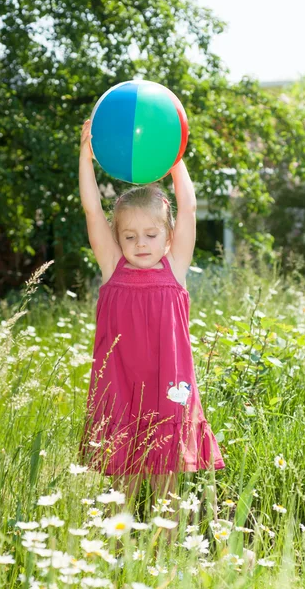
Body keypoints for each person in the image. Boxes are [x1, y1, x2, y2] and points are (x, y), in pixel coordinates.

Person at [78, 118, 225, 513]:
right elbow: (92, 211)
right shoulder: (113, 267)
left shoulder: (174, 267)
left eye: (150, 235)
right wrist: (85, 157)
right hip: (123, 385)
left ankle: (167, 552)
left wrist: (174, 154)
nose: (140, 244)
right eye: (129, 236)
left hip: (167, 384)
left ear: (169, 235)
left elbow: (189, 206)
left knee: (167, 478)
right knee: (121, 480)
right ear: (117, 237)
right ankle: (114, 550)